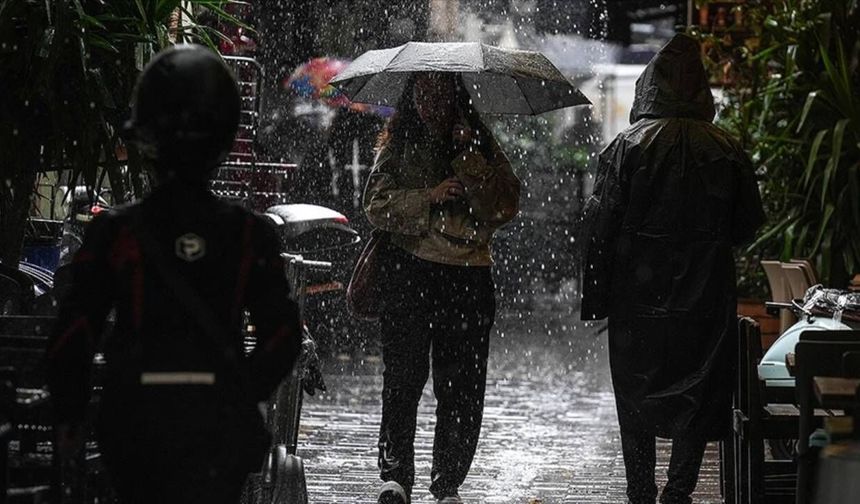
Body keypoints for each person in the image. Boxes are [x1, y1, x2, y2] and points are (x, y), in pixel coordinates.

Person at [46, 45, 302, 504]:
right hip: (218, 433)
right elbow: (283, 335)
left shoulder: (116, 232)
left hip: (134, 426)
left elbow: (74, 334)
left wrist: (69, 417)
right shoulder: (249, 236)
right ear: (225, 139)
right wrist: (240, 393)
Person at [580, 34, 765, 504]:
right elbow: (747, 226)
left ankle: (640, 489)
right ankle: (678, 490)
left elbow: (599, 227)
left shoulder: (625, 148)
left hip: (636, 301)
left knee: (635, 397)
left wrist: (598, 298)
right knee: (697, 394)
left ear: (649, 87)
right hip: (705, 300)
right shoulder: (727, 149)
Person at [364, 72, 520, 504]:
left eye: (439, 95)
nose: (428, 105)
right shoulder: (397, 145)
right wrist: (427, 196)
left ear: (456, 98)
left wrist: (469, 157)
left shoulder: (480, 144)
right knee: (402, 378)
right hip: (409, 272)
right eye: (421, 95)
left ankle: (447, 480)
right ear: (411, 97)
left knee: (462, 385)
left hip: (466, 276)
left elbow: (503, 206)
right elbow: (375, 204)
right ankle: (397, 475)